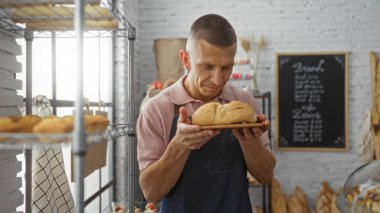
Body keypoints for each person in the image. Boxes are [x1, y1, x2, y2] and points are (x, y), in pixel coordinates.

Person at [137, 14, 276, 213]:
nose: (218, 79)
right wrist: (179, 145)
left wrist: (250, 141)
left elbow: (265, 176)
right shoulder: (157, 109)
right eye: (207, 66)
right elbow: (151, 192)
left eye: (226, 67)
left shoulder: (245, 103)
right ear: (186, 59)